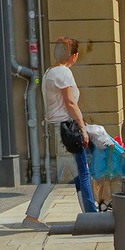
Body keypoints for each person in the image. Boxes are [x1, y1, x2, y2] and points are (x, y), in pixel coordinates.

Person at [28, 37, 97, 218]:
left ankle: (31, 215)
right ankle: (91, 215)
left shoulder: (49, 72)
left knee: (54, 178)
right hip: (66, 129)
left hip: (54, 129)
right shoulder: (64, 73)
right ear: (73, 56)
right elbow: (70, 103)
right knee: (82, 173)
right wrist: (82, 127)